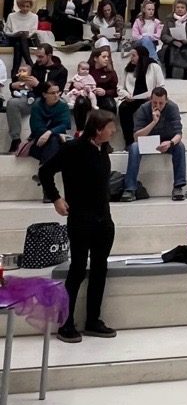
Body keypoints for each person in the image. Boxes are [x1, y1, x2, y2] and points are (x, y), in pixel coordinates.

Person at [40, 109, 118, 343]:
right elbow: (45, 171)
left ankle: (93, 320)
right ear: (98, 129)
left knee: (100, 269)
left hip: (103, 219)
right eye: (110, 127)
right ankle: (66, 323)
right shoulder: (73, 149)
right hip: (81, 219)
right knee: (77, 270)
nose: (114, 131)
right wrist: (56, 198)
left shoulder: (103, 149)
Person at [122, 87, 186, 201]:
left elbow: (178, 134)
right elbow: (136, 137)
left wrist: (170, 143)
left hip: (167, 141)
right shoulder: (143, 108)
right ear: (150, 99)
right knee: (134, 147)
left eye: (161, 103)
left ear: (166, 101)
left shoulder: (172, 108)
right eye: (155, 102)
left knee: (180, 146)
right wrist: (153, 122)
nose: (157, 105)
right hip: (148, 141)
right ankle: (129, 189)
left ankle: (178, 187)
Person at [5, 44, 68, 153]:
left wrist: (38, 85)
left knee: (60, 103)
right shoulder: (35, 67)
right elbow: (25, 85)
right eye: (36, 56)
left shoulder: (61, 70)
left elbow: (58, 92)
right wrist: (14, 85)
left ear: (49, 56)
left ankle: (43, 136)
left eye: (41, 57)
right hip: (32, 98)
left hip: (50, 101)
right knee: (12, 103)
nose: (37, 59)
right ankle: (15, 139)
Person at [117, 46, 164, 146]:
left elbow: (161, 86)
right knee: (123, 108)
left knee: (151, 109)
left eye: (134, 55)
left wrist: (153, 96)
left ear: (141, 56)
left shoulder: (154, 67)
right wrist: (126, 95)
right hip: (132, 99)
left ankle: (151, 142)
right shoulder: (128, 68)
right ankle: (129, 142)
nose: (131, 58)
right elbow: (120, 87)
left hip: (150, 98)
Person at [29, 80, 70, 172]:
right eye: (53, 93)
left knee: (56, 142)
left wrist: (50, 132)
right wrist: (54, 134)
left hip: (58, 139)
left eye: (58, 92)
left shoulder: (63, 105)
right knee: (54, 143)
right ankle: (45, 172)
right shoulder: (37, 106)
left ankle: (44, 171)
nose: (56, 95)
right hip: (40, 140)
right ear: (44, 94)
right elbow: (36, 128)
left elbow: (65, 124)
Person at [5, 0, 39, 73]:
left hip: (28, 40)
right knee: (19, 40)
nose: (25, 8)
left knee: (20, 41)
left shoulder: (34, 16)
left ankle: (15, 71)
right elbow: (7, 31)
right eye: (23, 6)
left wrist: (25, 35)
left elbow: (33, 31)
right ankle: (30, 63)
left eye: (27, 6)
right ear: (19, 6)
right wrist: (15, 34)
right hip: (14, 39)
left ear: (31, 6)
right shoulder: (11, 16)